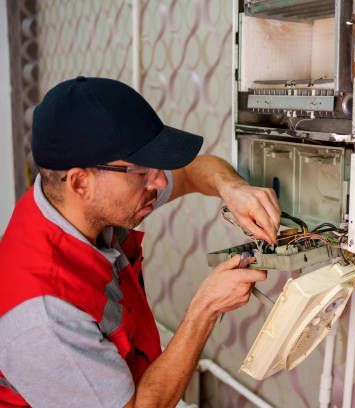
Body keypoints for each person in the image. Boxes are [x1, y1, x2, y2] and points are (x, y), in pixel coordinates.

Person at [0, 77, 281, 407]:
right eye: (142, 170)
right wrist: (206, 308)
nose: (160, 180)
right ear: (80, 183)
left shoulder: (70, 205)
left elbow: (193, 172)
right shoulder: (44, 316)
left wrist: (231, 187)